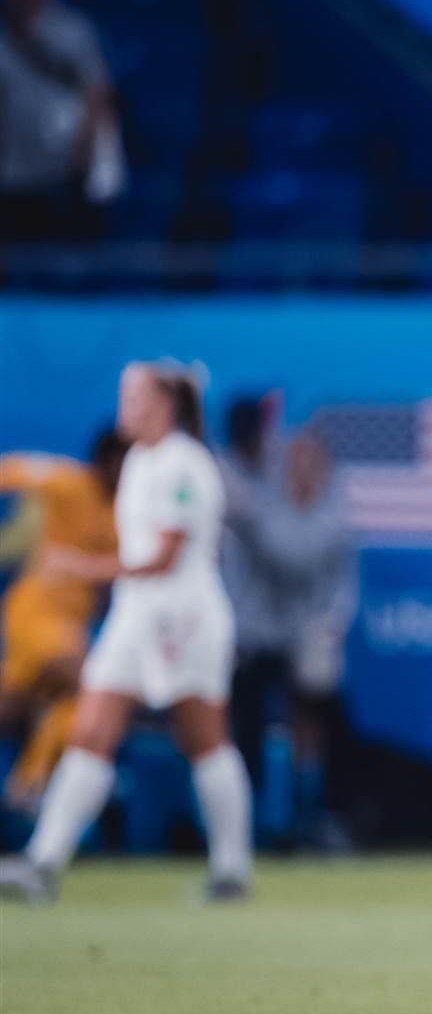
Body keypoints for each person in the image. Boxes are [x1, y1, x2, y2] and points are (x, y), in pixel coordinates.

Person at [0, 364, 253, 904]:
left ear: (166, 402)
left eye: (135, 394)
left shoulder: (186, 464)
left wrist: (80, 568)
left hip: (185, 618)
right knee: (91, 731)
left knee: (204, 738)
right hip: (134, 617)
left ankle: (232, 871)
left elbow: (164, 558)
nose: (125, 403)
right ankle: (43, 863)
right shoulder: (139, 460)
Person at [226, 431, 359, 850]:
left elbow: (342, 585)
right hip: (257, 637)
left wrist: (331, 624)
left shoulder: (335, 520)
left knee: (318, 723)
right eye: (295, 461)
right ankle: (244, 824)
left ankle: (314, 816)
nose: (302, 471)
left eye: (311, 462)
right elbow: (281, 555)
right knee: (246, 728)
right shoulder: (263, 511)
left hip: (307, 640)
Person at [0, 431, 124, 812]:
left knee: (11, 708)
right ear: (108, 461)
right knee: (90, 682)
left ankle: (30, 781)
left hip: (70, 624)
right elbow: (12, 470)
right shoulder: (70, 481)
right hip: (35, 612)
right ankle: (30, 781)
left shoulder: (126, 508)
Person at [0, 0, 119, 242]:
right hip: (15, 170)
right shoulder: (3, 38)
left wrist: (86, 143)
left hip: (67, 165)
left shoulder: (74, 30)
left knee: (69, 250)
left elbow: (98, 89)